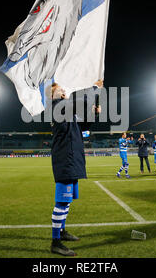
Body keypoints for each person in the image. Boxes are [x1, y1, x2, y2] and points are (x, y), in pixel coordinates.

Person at [49, 80, 103, 256]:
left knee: (68, 200)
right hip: (65, 159)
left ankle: (62, 232)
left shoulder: (67, 110)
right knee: (62, 201)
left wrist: (94, 114)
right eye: (59, 90)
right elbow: (82, 102)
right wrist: (95, 88)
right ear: (53, 95)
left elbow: (83, 126)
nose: (63, 91)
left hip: (73, 159)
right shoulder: (57, 107)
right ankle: (55, 242)